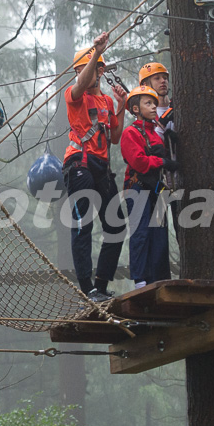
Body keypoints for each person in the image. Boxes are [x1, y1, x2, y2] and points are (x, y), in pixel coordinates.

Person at [63, 32, 128, 302]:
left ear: (100, 72)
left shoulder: (106, 101)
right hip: (79, 162)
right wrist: (97, 53)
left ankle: (100, 286)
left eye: (90, 70)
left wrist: (122, 106)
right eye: (82, 71)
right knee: (83, 222)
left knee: (116, 225)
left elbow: (114, 136)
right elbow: (79, 85)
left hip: (101, 165)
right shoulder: (74, 95)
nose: (87, 76)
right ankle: (86, 286)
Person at [120, 86, 179, 289]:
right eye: (148, 103)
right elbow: (139, 163)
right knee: (141, 232)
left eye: (154, 103)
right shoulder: (130, 133)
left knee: (159, 235)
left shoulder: (155, 134)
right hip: (137, 187)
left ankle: (159, 278)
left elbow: (157, 157)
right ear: (136, 109)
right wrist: (160, 161)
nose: (154, 106)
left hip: (156, 188)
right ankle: (140, 279)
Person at [138, 62, 181, 237]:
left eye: (165, 78)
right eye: (157, 78)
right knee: (157, 235)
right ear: (145, 85)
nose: (163, 81)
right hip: (160, 178)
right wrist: (162, 124)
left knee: (183, 230)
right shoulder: (145, 115)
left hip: (182, 174)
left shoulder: (179, 107)